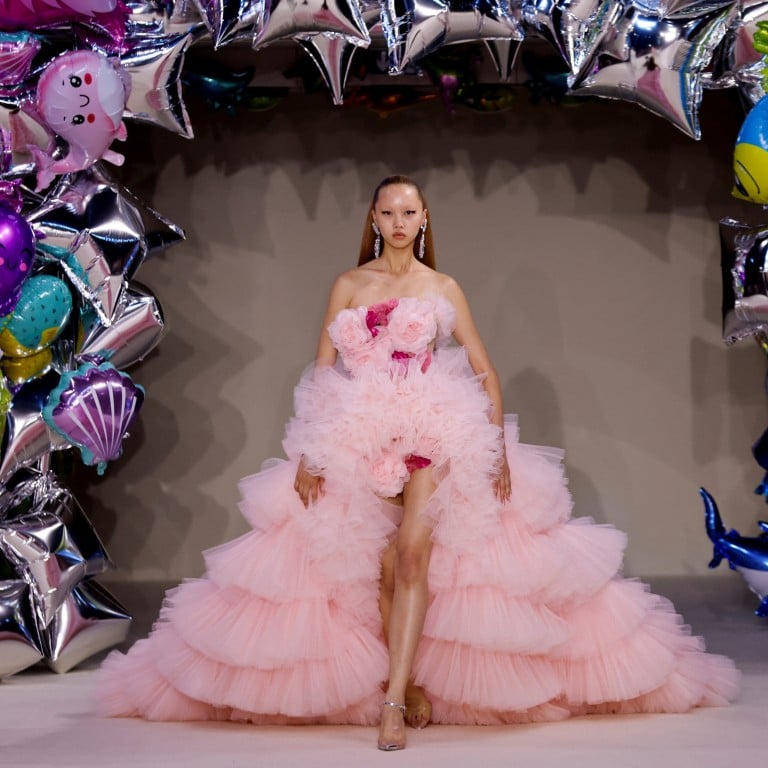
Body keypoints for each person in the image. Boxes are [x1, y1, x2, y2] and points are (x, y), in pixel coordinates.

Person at [99, 175, 739, 751]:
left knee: (412, 552)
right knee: (375, 567)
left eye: (410, 213)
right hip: (360, 435)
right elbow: (322, 373)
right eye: (388, 213)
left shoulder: (442, 287)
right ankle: (407, 686)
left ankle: (392, 705)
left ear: (424, 218)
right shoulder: (349, 285)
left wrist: (494, 447)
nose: (400, 223)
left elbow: (484, 370)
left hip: (435, 426)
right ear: (373, 220)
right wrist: (312, 448)